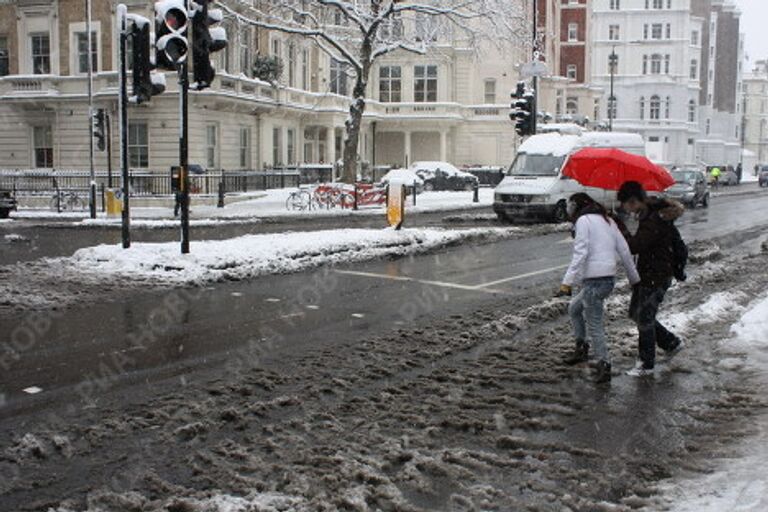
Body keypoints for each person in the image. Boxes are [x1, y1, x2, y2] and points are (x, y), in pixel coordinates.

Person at [557, 193, 641, 384]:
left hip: (595, 280)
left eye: (570, 206)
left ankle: (604, 364)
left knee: (594, 323)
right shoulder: (608, 221)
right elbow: (625, 250)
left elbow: (581, 252)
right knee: (574, 309)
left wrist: (566, 283)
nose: (569, 210)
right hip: (606, 279)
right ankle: (581, 348)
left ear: (577, 206)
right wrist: (634, 278)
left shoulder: (584, 221)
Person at [617, 181, 685, 377]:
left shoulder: (653, 219)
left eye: (625, 204)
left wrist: (621, 230)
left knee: (644, 318)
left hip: (656, 275)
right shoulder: (650, 214)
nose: (625, 209)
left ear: (634, 201)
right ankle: (671, 343)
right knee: (636, 314)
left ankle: (646, 364)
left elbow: (635, 245)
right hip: (649, 273)